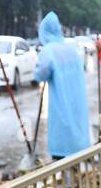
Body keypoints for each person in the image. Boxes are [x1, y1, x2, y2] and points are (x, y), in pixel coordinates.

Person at [34, 11, 90, 161]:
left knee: (63, 145)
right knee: (78, 141)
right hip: (77, 101)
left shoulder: (48, 50)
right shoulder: (71, 49)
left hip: (61, 103)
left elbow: (40, 74)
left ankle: (66, 181)